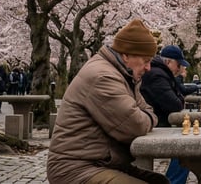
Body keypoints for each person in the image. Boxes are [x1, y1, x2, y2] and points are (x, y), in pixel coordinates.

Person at [47, 18, 168, 184]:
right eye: (146, 60)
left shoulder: (124, 75)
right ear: (125, 55)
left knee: (159, 181)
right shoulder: (103, 77)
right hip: (75, 168)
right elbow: (135, 125)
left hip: (99, 162)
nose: (149, 68)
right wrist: (147, 116)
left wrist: (145, 115)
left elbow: (146, 111)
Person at [140, 44, 191, 184]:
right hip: (154, 124)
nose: (180, 68)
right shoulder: (157, 75)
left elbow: (178, 96)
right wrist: (180, 99)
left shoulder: (161, 73)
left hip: (156, 121)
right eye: (178, 64)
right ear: (168, 62)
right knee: (185, 150)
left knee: (186, 146)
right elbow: (175, 104)